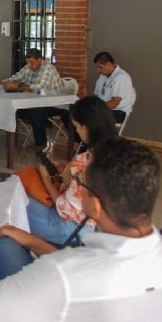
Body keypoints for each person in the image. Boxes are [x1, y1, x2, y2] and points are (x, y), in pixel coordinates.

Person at [0, 138, 162, 322]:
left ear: (95, 206)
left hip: (33, 306)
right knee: (6, 241)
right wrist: (34, 241)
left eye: (81, 186)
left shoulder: (62, 274)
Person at [25, 95, 118, 245]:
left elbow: (64, 208)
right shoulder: (119, 154)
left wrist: (46, 180)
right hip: (93, 225)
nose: (77, 133)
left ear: (85, 127)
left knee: (16, 199)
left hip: (69, 228)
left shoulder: (85, 161)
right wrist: (70, 169)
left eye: (76, 127)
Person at [0, 48, 63, 150]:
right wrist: (7, 83)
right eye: (28, 62)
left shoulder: (48, 69)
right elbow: (12, 78)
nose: (29, 65)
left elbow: (40, 86)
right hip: (35, 102)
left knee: (36, 112)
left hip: (54, 103)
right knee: (12, 108)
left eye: (32, 62)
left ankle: (41, 143)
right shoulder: (28, 67)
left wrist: (19, 87)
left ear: (40, 60)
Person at [93, 51, 136, 123]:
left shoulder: (121, 77)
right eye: (97, 67)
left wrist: (97, 109)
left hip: (118, 112)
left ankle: (95, 134)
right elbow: (98, 96)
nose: (98, 70)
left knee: (90, 116)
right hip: (104, 109)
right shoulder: (102, 76)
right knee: (74, 111)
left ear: (109, 64)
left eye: (100, 67)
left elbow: (114, 103)